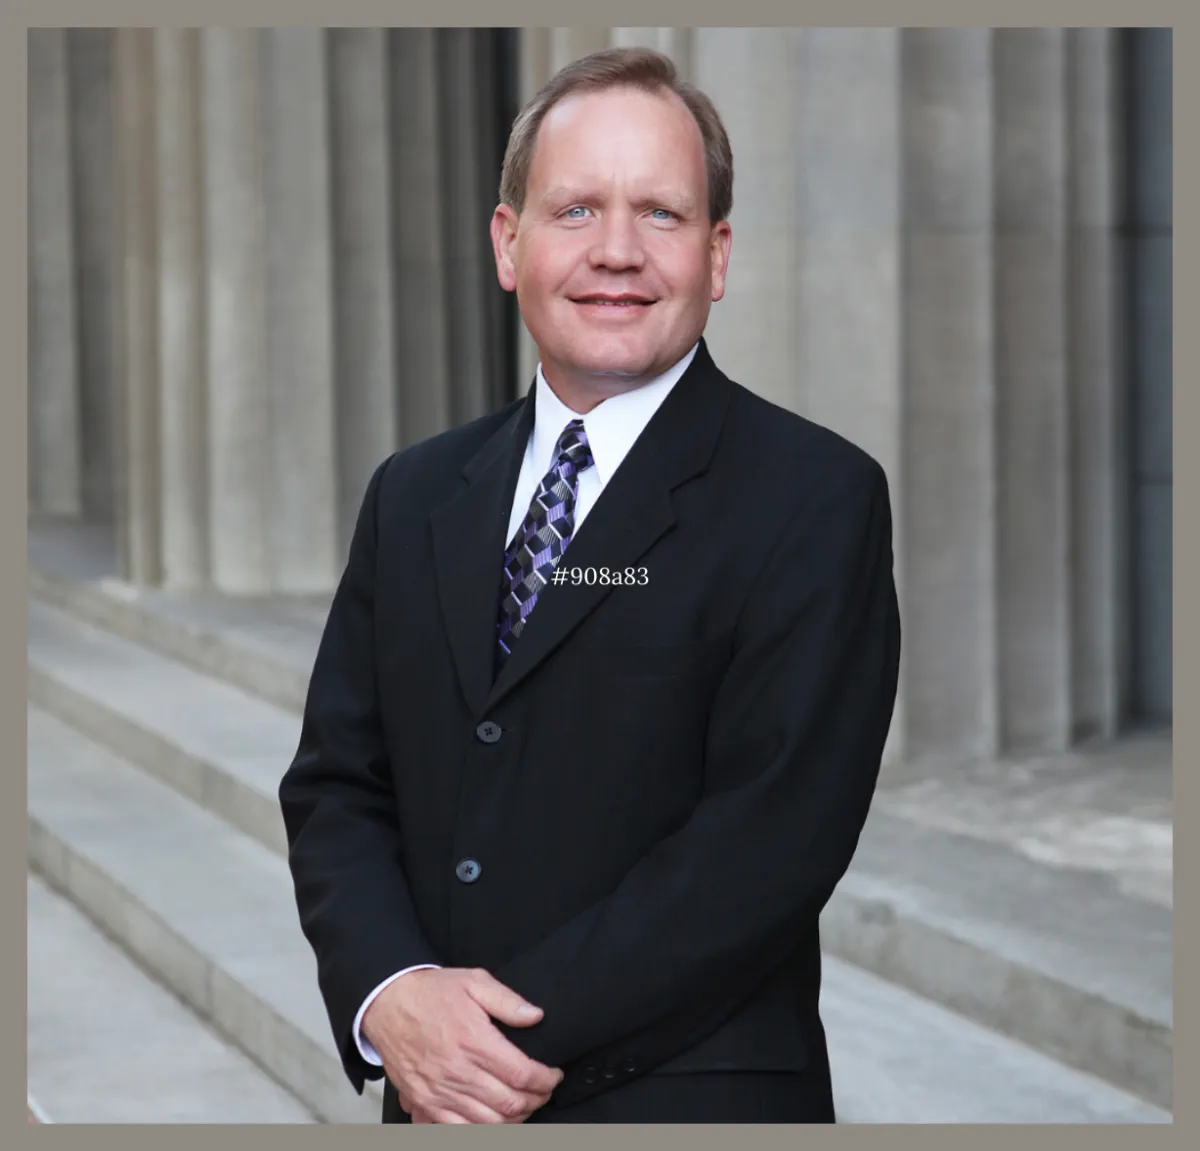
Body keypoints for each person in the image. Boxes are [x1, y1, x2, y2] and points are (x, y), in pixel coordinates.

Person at [279, 45, 900, 1125]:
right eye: (575, 210)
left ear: (716, 254)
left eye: (660, 213)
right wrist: (394, 993)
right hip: (434, 1098)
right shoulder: (414, 494)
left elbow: (768, 840)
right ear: (507, 243)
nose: (617, 251)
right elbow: (338, 783)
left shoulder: (816, 497)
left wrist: (486, 1044)